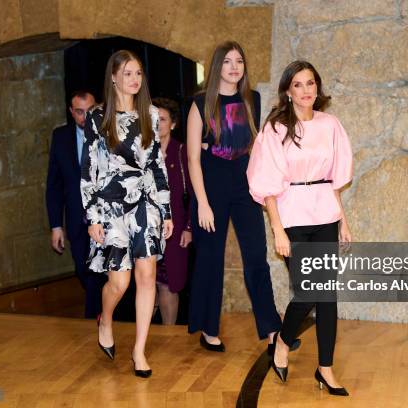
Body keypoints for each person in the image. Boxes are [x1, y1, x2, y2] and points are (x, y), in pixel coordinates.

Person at [247, 60, 353, 396]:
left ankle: (325, 368)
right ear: (288, 91)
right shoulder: (276, 128)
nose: (306, 90)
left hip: (324, 212)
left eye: (311, 83)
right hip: (292, 215)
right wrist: (277, 229)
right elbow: (266, 184)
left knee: (327, 295)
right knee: (309, 290)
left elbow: (335, 177)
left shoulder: (330, 124)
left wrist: (343, 220)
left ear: (317, 88)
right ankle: (281, 339)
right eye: (298, 84)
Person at [187, 41, 296, 353]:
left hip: (243, 184)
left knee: (256, 257)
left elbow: (254, 147)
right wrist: (203, 203)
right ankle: (208, 330)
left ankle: (272, 329)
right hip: (210, 183)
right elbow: (193, 158)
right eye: (227, 62)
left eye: (239, 62)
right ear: (217, 66)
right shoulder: (199, 103)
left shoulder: (253, 100)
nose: (234, 67)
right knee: (210, 259)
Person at [80, 50, 173, 378]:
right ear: (114, 77)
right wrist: (92, 216)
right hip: (110, 207)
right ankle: (106, 318)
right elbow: (88, 168)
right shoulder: (97, 116)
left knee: (147, 277)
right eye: (129, 73)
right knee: (119, 282)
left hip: (145, 206)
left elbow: (157, 167)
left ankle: (139, 350)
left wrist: (166, 211)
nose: (135, 79)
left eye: (139, 73)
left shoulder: (149, 113)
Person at [46, 90, 105, 319]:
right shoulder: (60, 137)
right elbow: (54, 184)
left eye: (89, 111)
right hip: (76, 218)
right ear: (71, 112)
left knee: (101, 271)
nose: (84, 117)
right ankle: (100, 314)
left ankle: (97, 318)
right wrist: (56, 225)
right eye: (79, 112)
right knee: (83, 269)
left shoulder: (108, 134)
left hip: (105, 216)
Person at [152, 97, 192, 325]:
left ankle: (169, 336)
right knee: (148, 282)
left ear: (173, 124)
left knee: (169, 284)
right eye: (154, 119)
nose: (158, 124)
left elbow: (195, 194)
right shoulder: (142, 152)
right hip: (147, 231)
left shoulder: (182, 152)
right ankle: (147, 338)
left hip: (175, 231)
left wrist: (189, 227)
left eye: (163, 119)